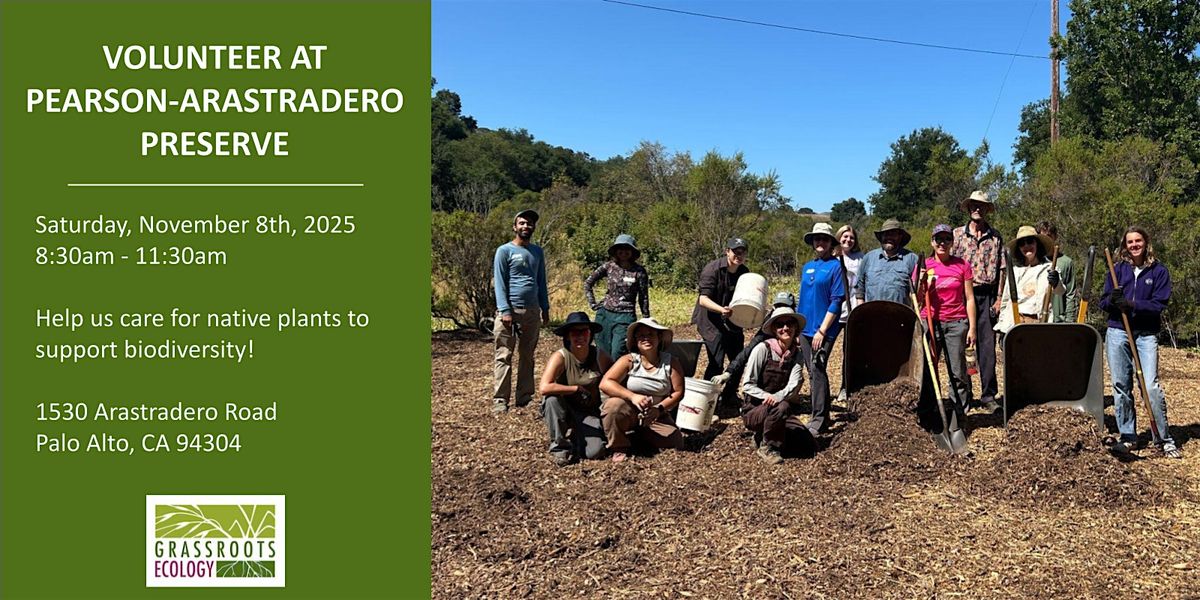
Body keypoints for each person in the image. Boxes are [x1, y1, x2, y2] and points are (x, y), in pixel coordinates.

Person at [1098, 227, 1180, 459]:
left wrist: (1132, 305)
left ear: (1146, 243)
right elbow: (1103, 302)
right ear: (1125, 245)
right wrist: (1113, 302)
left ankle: (1163, 437)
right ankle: (1128, 436)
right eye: (1130, 241)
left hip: (1146, 334)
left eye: (1138, 241)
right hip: (1118, 332)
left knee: (1150, 385)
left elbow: (1159, 304)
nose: (1134, 245)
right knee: (1121, 386)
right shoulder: (1118, 270)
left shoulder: (1159, 271)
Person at [599, 318, 685, 462]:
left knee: (675, 442)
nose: (646, 339)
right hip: (630, 411)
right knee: (613, 406)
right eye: (641, 336)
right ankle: (619, 446)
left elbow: (678, 392)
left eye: (651, 334)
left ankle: (638, 436)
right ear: (635, 341)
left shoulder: (671, 362)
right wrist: (632, 397)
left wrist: (659, 409)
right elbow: (605, 383)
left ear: (659, 338)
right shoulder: (629, 360)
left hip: (656, 415)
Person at [951, 190, 1005, 413]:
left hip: (987, 295)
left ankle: (988, 395)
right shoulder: (956, 235)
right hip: (960, 296)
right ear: (968, 207)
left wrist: (1000, 297)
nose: (977, 209)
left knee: (987, 347)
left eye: (981, 206)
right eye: (974, 205)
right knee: (960, 345)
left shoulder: (995, 237)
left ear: (986, 209)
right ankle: (963, 394)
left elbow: (1002, 269)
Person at [491, 209, 550, 415]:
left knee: (528, 356)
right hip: (509, 311)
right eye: (522, 223)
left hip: (532, 312)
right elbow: (499, 282)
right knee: (504, 355)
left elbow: (541, 281)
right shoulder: (504, 251)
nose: (526, 226)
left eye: (530, 223)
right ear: (515, 227)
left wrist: (545, 308)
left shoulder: (537, 252)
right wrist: (505, 310)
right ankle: (500, 400)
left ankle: (524, 397)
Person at [538, 312, 614, 466]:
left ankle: (578, 437)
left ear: (590, 334)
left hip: (588, 412)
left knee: (595, 452)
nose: (580, 336)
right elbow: (544, 387)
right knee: (551, 400)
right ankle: (560, 448)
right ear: (567, 336)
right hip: (564, 410)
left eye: (584, 331)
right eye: (574, 332)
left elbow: (615, 378)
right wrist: (575, 389)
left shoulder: (600, 355)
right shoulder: (561, 357)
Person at [921, 224, 978, 420]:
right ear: (932, 242)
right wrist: (923, 284)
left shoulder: (962, 265)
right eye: (938, 239)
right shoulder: (924, 266)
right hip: (930, 321)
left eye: (946, 239)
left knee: (958, 372)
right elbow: (918, 298)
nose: (942, 243)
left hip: (956, 323)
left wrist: (972, 327)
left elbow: (969, 298)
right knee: (929, 369)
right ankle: (928, 411)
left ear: (952, 242)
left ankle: (958, 413)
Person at [739, 306, 810, 464]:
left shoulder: (796, 355)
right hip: (754, 410)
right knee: (783, 407)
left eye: (789, 324)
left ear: (796, 328)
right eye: (780, 325)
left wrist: (777, 397)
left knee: (808, 443)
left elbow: (794, 383)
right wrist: (767, 397)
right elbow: (747, 385)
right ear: (773, 329)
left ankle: (761, 436)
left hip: (777, 407)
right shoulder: (762, 349)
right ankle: (767, 447)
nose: (785, 328)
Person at [796, 223, 845, 435]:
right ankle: (822, 416)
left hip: (823, 329)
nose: (820, 242)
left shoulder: (836, 266)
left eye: (824, 239)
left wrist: (822, 331)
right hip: (805, 328)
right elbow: (803, 300)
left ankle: (817, 419)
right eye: (817, 239)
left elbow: (836, 300)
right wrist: (798, 328)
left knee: (817, 368)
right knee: (814, 371)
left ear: (830, 243)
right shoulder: (808, 267)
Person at [691, 237, 750, 405]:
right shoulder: (712, 269)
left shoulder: (744, 273)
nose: (739, 255)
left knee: (738, 358)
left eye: (742, 252)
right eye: (735, 251)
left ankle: (729, 395)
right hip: (710, 319)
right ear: (727, 251)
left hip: (731, 319)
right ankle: (706, 399)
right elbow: (703, 300)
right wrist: (721, 309)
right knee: (716, 360)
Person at [584, 234, 651, 358]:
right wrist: (593, 304)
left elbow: (643, 296)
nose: (623, 252)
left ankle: (616, 377)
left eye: (627, 249)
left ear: (632, 251)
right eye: (620, 248)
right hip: (605, 315)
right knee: (602, 352)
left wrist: (646, 319)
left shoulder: (639, 271)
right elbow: (588, 283)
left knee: (617, 352)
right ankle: (603, 377)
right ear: (615, 251)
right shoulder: (608, 266)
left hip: (625, 317)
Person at [711, 291, 797, 387]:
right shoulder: (770, 322)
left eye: (785, 306)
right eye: (779, 306)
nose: (785, 327)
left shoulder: (796, 322)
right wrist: (728, 372)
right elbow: (749, 349)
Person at [995, 225, 1065, 336]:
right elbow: (1005, 301)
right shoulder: (1015, 271)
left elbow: (1060, 291)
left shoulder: (1049, 268)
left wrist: (1056, 281)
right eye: (1022, 243)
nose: (1026, 246)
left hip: (1040, 324)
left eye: (1030, 242)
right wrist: (1002, 326)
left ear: (1037, 243)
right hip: (1015, 325)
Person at [854, 219, 919, 306]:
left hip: (901, 316)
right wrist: (861, 311)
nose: (889, 237)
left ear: (900, 237)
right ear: (881, 237)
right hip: (872, 315)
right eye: (886, 234)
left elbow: (918, 292)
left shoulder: (912, 259)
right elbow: (860, 290)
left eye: (893, 234)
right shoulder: (868, 258)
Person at [1035, 221, 1078, 323]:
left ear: (1055, 237)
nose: (1046, 240)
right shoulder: (1035, 261)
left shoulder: (1066, 263)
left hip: (1058, 320)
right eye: (1042, 237)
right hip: (1038, 319)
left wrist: (1069, 321)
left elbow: (1070, 294)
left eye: (1049, 236)